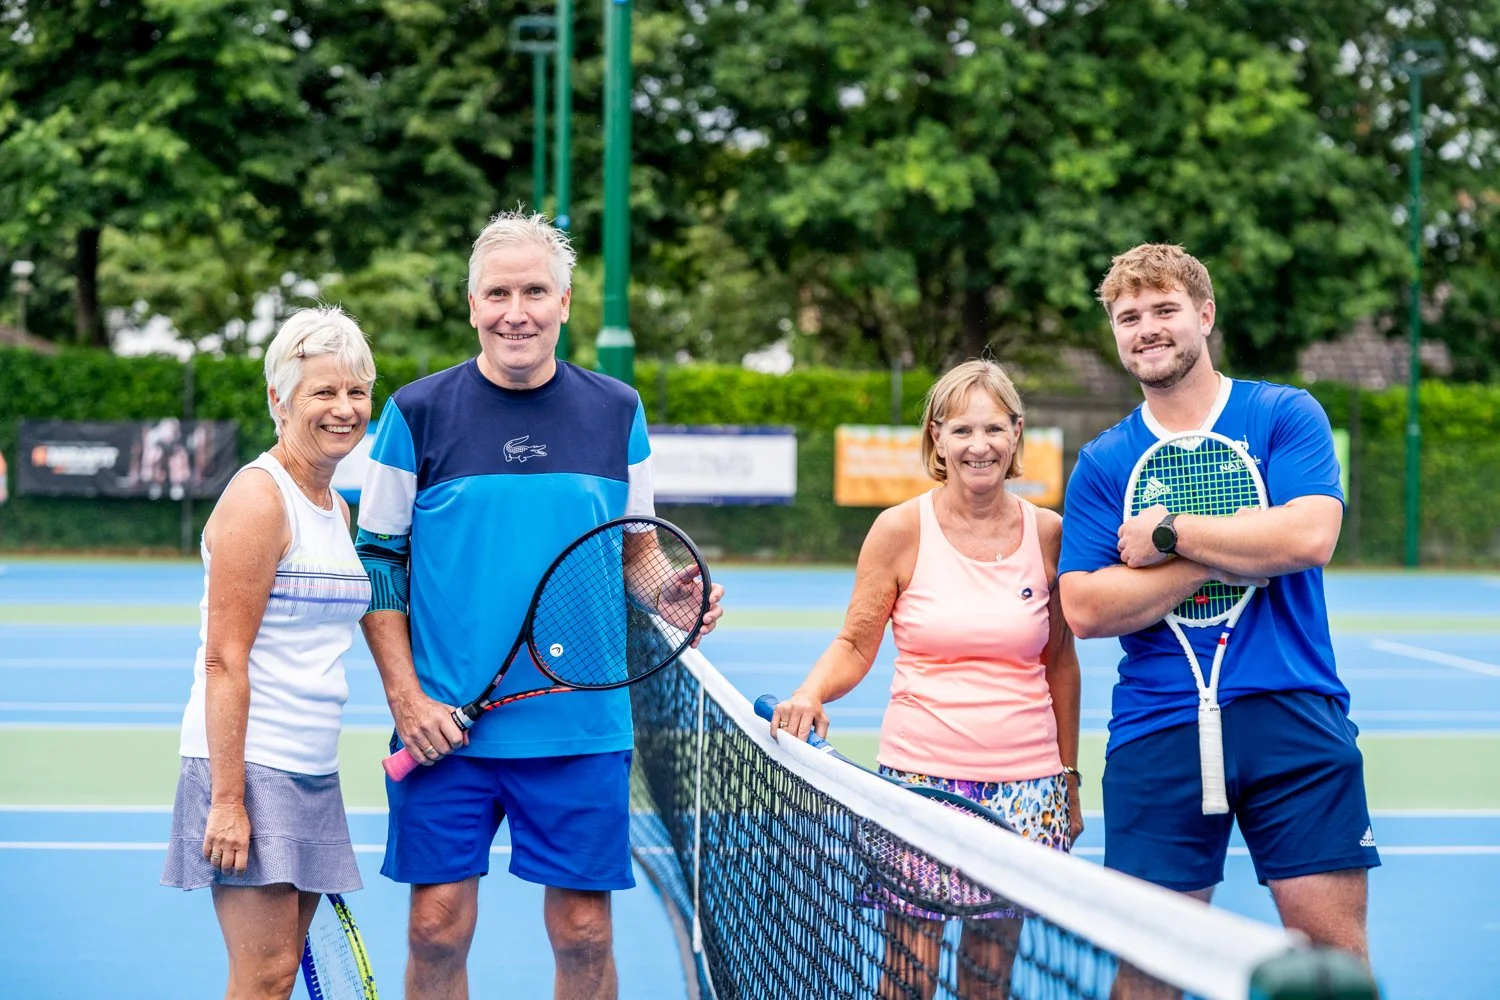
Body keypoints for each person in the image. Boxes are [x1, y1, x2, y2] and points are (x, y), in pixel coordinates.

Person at [355, 211, 724, 1000]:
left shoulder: (617, 410)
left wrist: (673, 593)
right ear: (471, 306)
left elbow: (638, 551)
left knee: (586, 938)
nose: (514, 310)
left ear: (564, 303)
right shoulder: (415, 414)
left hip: (582, 725)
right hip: (443, 726)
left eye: (533, 291)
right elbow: (379, 562)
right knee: (435, 930)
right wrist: (406, 698)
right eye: (497, 292)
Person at [1058, 244, 1379, 986]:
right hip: (1157, 727)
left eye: (1164, 309)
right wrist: (1238, 546)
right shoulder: (1106, 462)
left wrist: (1171, 536)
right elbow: (1086, 605)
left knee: (1334, 968)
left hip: (1293, 712)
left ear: (1204, 315)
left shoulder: (1282, 413)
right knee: (1144, 972)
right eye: (1128, 316)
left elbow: (1308, 536)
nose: (1147, 328)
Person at [771, 359, 1082, 1000]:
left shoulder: (1050, 535)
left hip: (1027, 793)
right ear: (937, 437)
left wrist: (1069, 782)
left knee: (987, 979)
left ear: (1017, 434)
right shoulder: (898, 530)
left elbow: (1059, 664)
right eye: (962, 430)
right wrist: (810, 693)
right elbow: (856, 644)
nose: (980, 445)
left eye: (994, 428)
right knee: (905, 977)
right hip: (919, 787)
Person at [161, 306, 376, 1000]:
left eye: (357, 391)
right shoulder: (260, 498)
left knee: (278, 975)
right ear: (279, 399)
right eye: (324, 391)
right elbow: (223, 657)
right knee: (262, 976)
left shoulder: (336, 507)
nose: (344, 409)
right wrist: (227, 801)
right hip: (249, 765)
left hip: (312, 766)